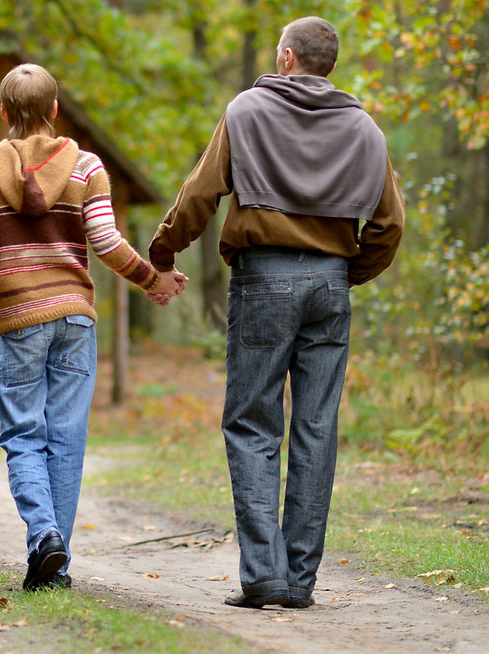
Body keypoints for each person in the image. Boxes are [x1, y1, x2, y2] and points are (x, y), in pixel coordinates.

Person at [148, 17, 404, 609]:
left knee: (252, 423)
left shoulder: (246, 112)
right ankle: (301, 582)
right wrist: (347, 273)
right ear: (329, 64)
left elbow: (199, 194)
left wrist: (162, 252)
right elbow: (390, 225)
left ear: (287, 57)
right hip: (331, 287)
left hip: (263, 280)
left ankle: (265, 576)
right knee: (316, 428)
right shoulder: (365, 130)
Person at [0, 63, 185, 591]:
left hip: (19, 320)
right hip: (74, 320)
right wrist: (151, 278)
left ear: (3, 114)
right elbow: (106, 241)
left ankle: (44, 537)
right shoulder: (87, 167)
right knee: (65, 439)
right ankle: (53, 565)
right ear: (55, 110)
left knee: (22, 435)